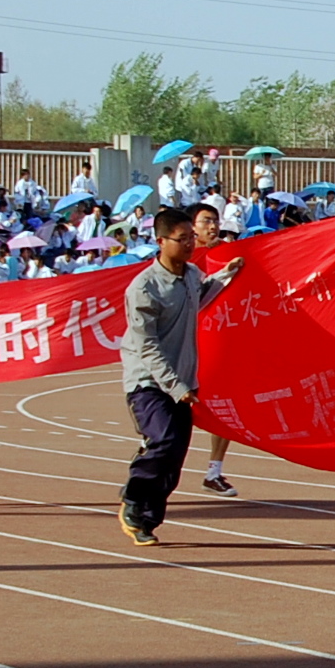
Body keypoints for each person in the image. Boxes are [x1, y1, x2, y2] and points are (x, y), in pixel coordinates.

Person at [117, 208, 244, 546]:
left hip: (183, 381)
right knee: (164, 441)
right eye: (182, 238)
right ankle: (133, 499)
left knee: (175, 457)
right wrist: (175, 386)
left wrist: (227, 275)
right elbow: (147, 346)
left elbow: (199, 296)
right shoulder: (144, 288)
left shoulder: (190, 275)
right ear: (161, 241)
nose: (190, 244)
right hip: (149, 382)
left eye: (192, 237)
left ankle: (146, 520)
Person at [189, 203, 240, 497]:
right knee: (171, 411)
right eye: (206, 221)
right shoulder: (179, 258)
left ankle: (214, 472)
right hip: (186, 344)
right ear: (191, 226)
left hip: (220, 340)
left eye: (215, 221)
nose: (212, 226)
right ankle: (146, 468)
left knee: (223, 406)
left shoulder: (227, 253)